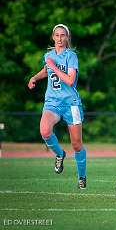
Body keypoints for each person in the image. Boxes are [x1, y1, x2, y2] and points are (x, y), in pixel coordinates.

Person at [27, 24, 87, 189]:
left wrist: (52, 66)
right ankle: (60, 154)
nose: (60, 39)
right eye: (57, 35)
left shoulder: (71, 56)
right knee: (45, 131)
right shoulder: (49, 55)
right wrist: (34, 77)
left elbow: (69, 80)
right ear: (53, 37)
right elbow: (47, 71)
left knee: (77, 144)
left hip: (71, 104)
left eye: (63, 35)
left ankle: (82, 176)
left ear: (67, 38)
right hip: (52, 102)